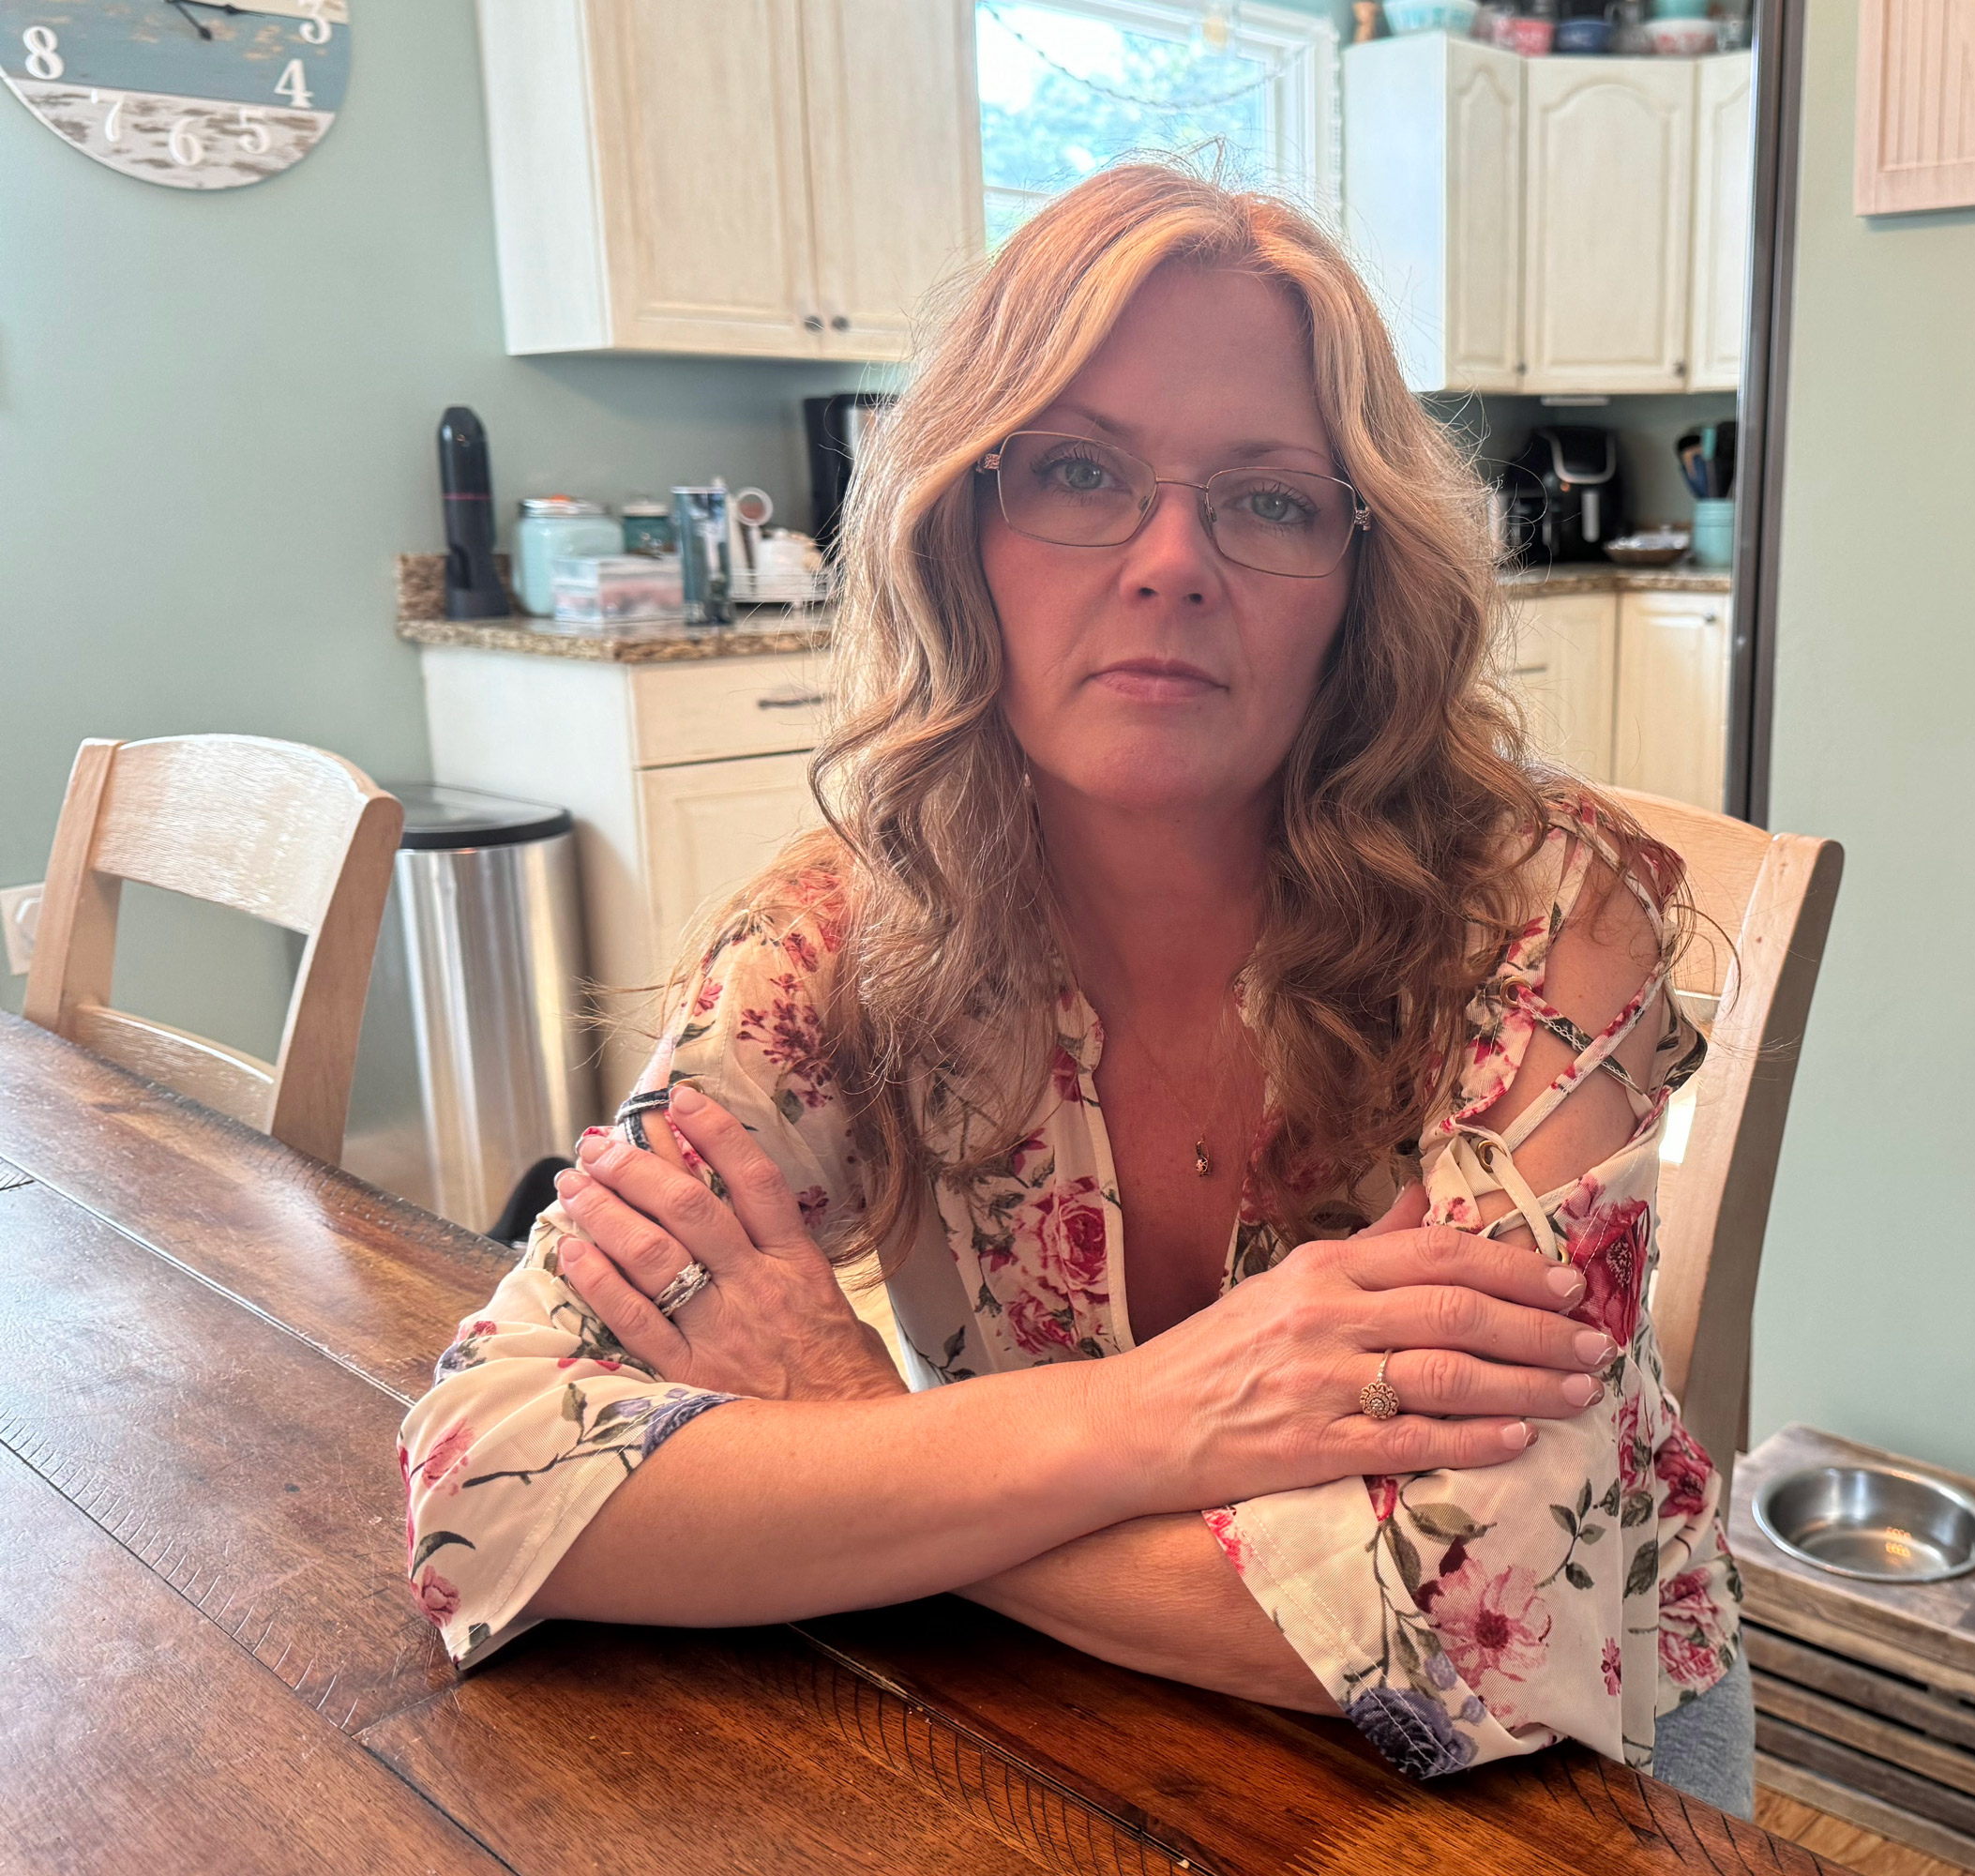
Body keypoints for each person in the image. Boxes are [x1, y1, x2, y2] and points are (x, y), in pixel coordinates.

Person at [395, 163, 1749, 1811]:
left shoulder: (1541, 925)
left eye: (1267, 499)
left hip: (1560, 1794)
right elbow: (486, 1483)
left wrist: (838, 1418)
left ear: (1358, 582)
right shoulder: (836, 941)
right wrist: (1150, 1421)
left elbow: (1475, 1630)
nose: (1172, 561)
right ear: (959, 529)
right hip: (1051, 1737)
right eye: (1078, 472)